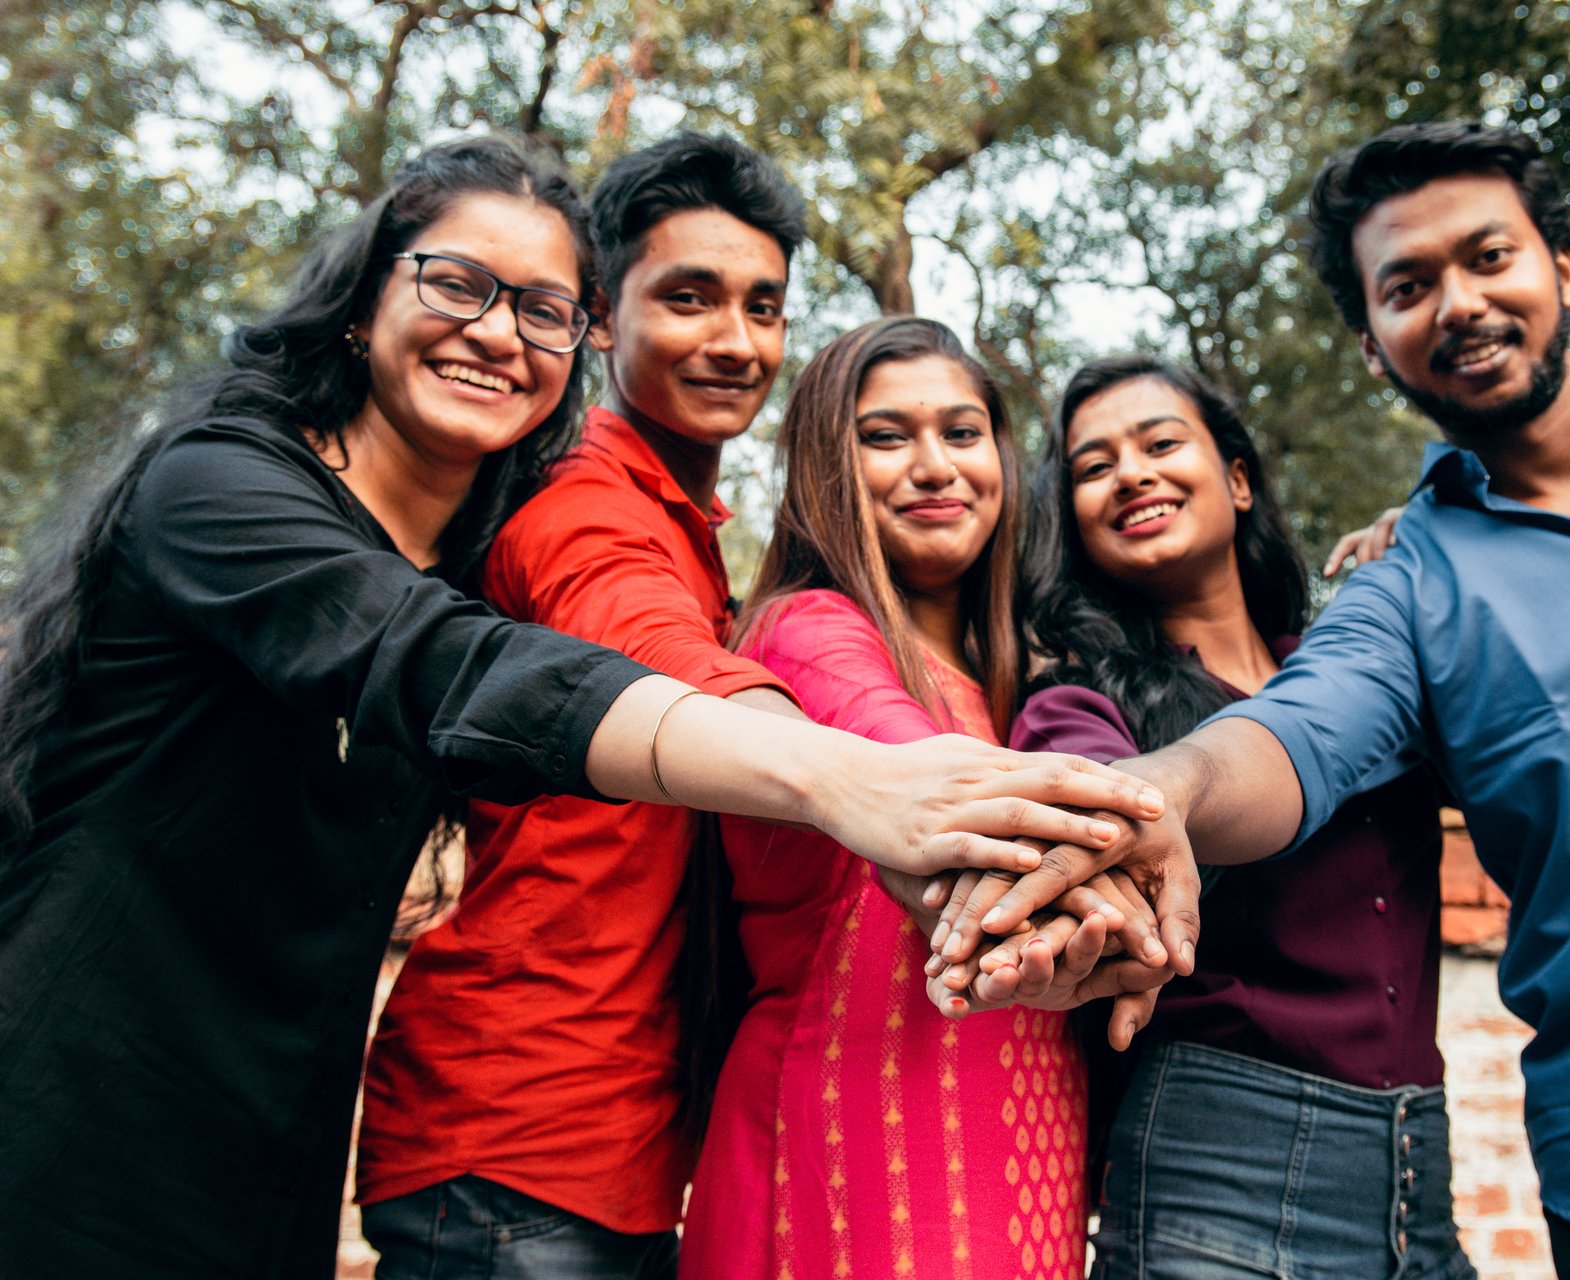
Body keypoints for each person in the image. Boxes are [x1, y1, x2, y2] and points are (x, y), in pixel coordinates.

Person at [0, 138, 1165, 1280]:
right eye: (458, 284)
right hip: (108, 1108)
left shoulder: (505, 537)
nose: (499, 330)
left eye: (541, 308)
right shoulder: (254, 487)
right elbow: (504, 658)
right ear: (364, 299)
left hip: (291, 1130)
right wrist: (852, 776)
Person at [956, 121, 1570, 1280]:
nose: (1457, 301)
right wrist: (1158, 791)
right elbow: (1291, 737)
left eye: (1488, 256)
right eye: (1409, 286)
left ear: (1561, 267)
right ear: (1373, 343)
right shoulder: (1410, 592)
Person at [355, 131, 808, 1280]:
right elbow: (643, 642)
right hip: (519, 1127)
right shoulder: (577, 495)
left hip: (608, 1139)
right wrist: (865, 778)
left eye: (764, 307)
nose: (734, 340)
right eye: (690, 298)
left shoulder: (687, 527)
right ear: (602, 317)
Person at [679, 318, 1148, 1280]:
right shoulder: (805, 631)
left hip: (1027, 1148)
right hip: (851, 1145)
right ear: (824, 466)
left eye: (963, 434)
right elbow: (941, 783)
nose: (936, 467)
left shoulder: (1019, 672)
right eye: (886, 437)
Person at [1010, 354, 1473, 1280]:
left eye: (1159, 443)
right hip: (1217, 1177)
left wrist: (1432, 545)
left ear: (1240, 479)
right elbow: (1099, 825)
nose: (1131, 473)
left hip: (1418, 1173)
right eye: (1094, 467)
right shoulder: (1075, 701)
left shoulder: (1359, 673)